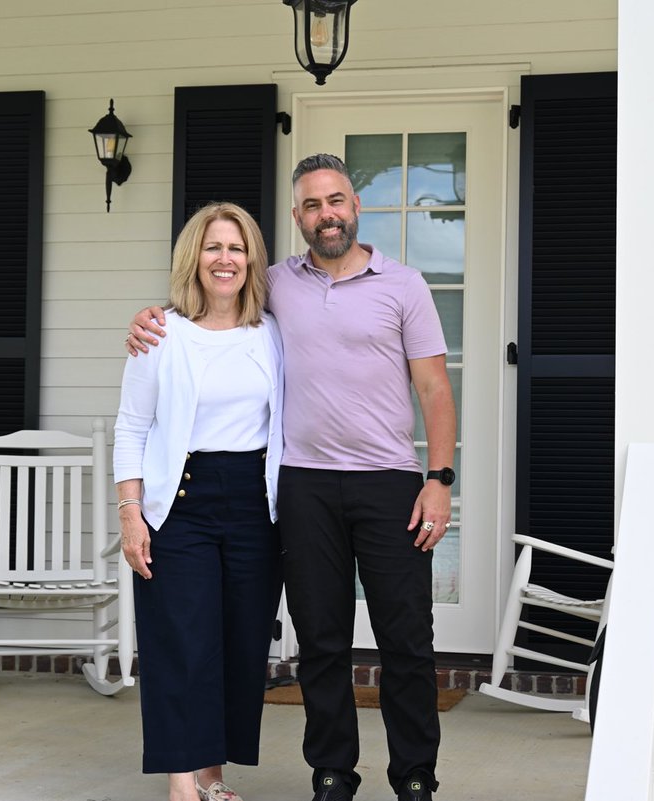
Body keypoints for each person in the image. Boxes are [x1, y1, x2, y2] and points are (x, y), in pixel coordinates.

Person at [127, 154, 457, 801]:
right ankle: (333, 771)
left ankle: (415, 773)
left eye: (335, 200)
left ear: (355, 206)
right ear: (298, 216)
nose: (325, 214)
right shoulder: (276, 283)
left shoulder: (405, 286)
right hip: (302, 485)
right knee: (322, 639)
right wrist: (149, 319)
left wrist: (439, 477)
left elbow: (434, 386)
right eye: (311, 205)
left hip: (389, 481)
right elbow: (211, 300)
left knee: (407, 638)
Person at [113, 202, 284, 801]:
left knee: (239, 643)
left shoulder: (272, 332)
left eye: (236, 248)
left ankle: (213, 774)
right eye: (214, 247)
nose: (225, 259)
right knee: (180, 640)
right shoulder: (161, 333)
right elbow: (131, 429)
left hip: (254, 504)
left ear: (251, 259)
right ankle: (182, 782)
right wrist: (130, 514)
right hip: (177, 504)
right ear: (194, 256)